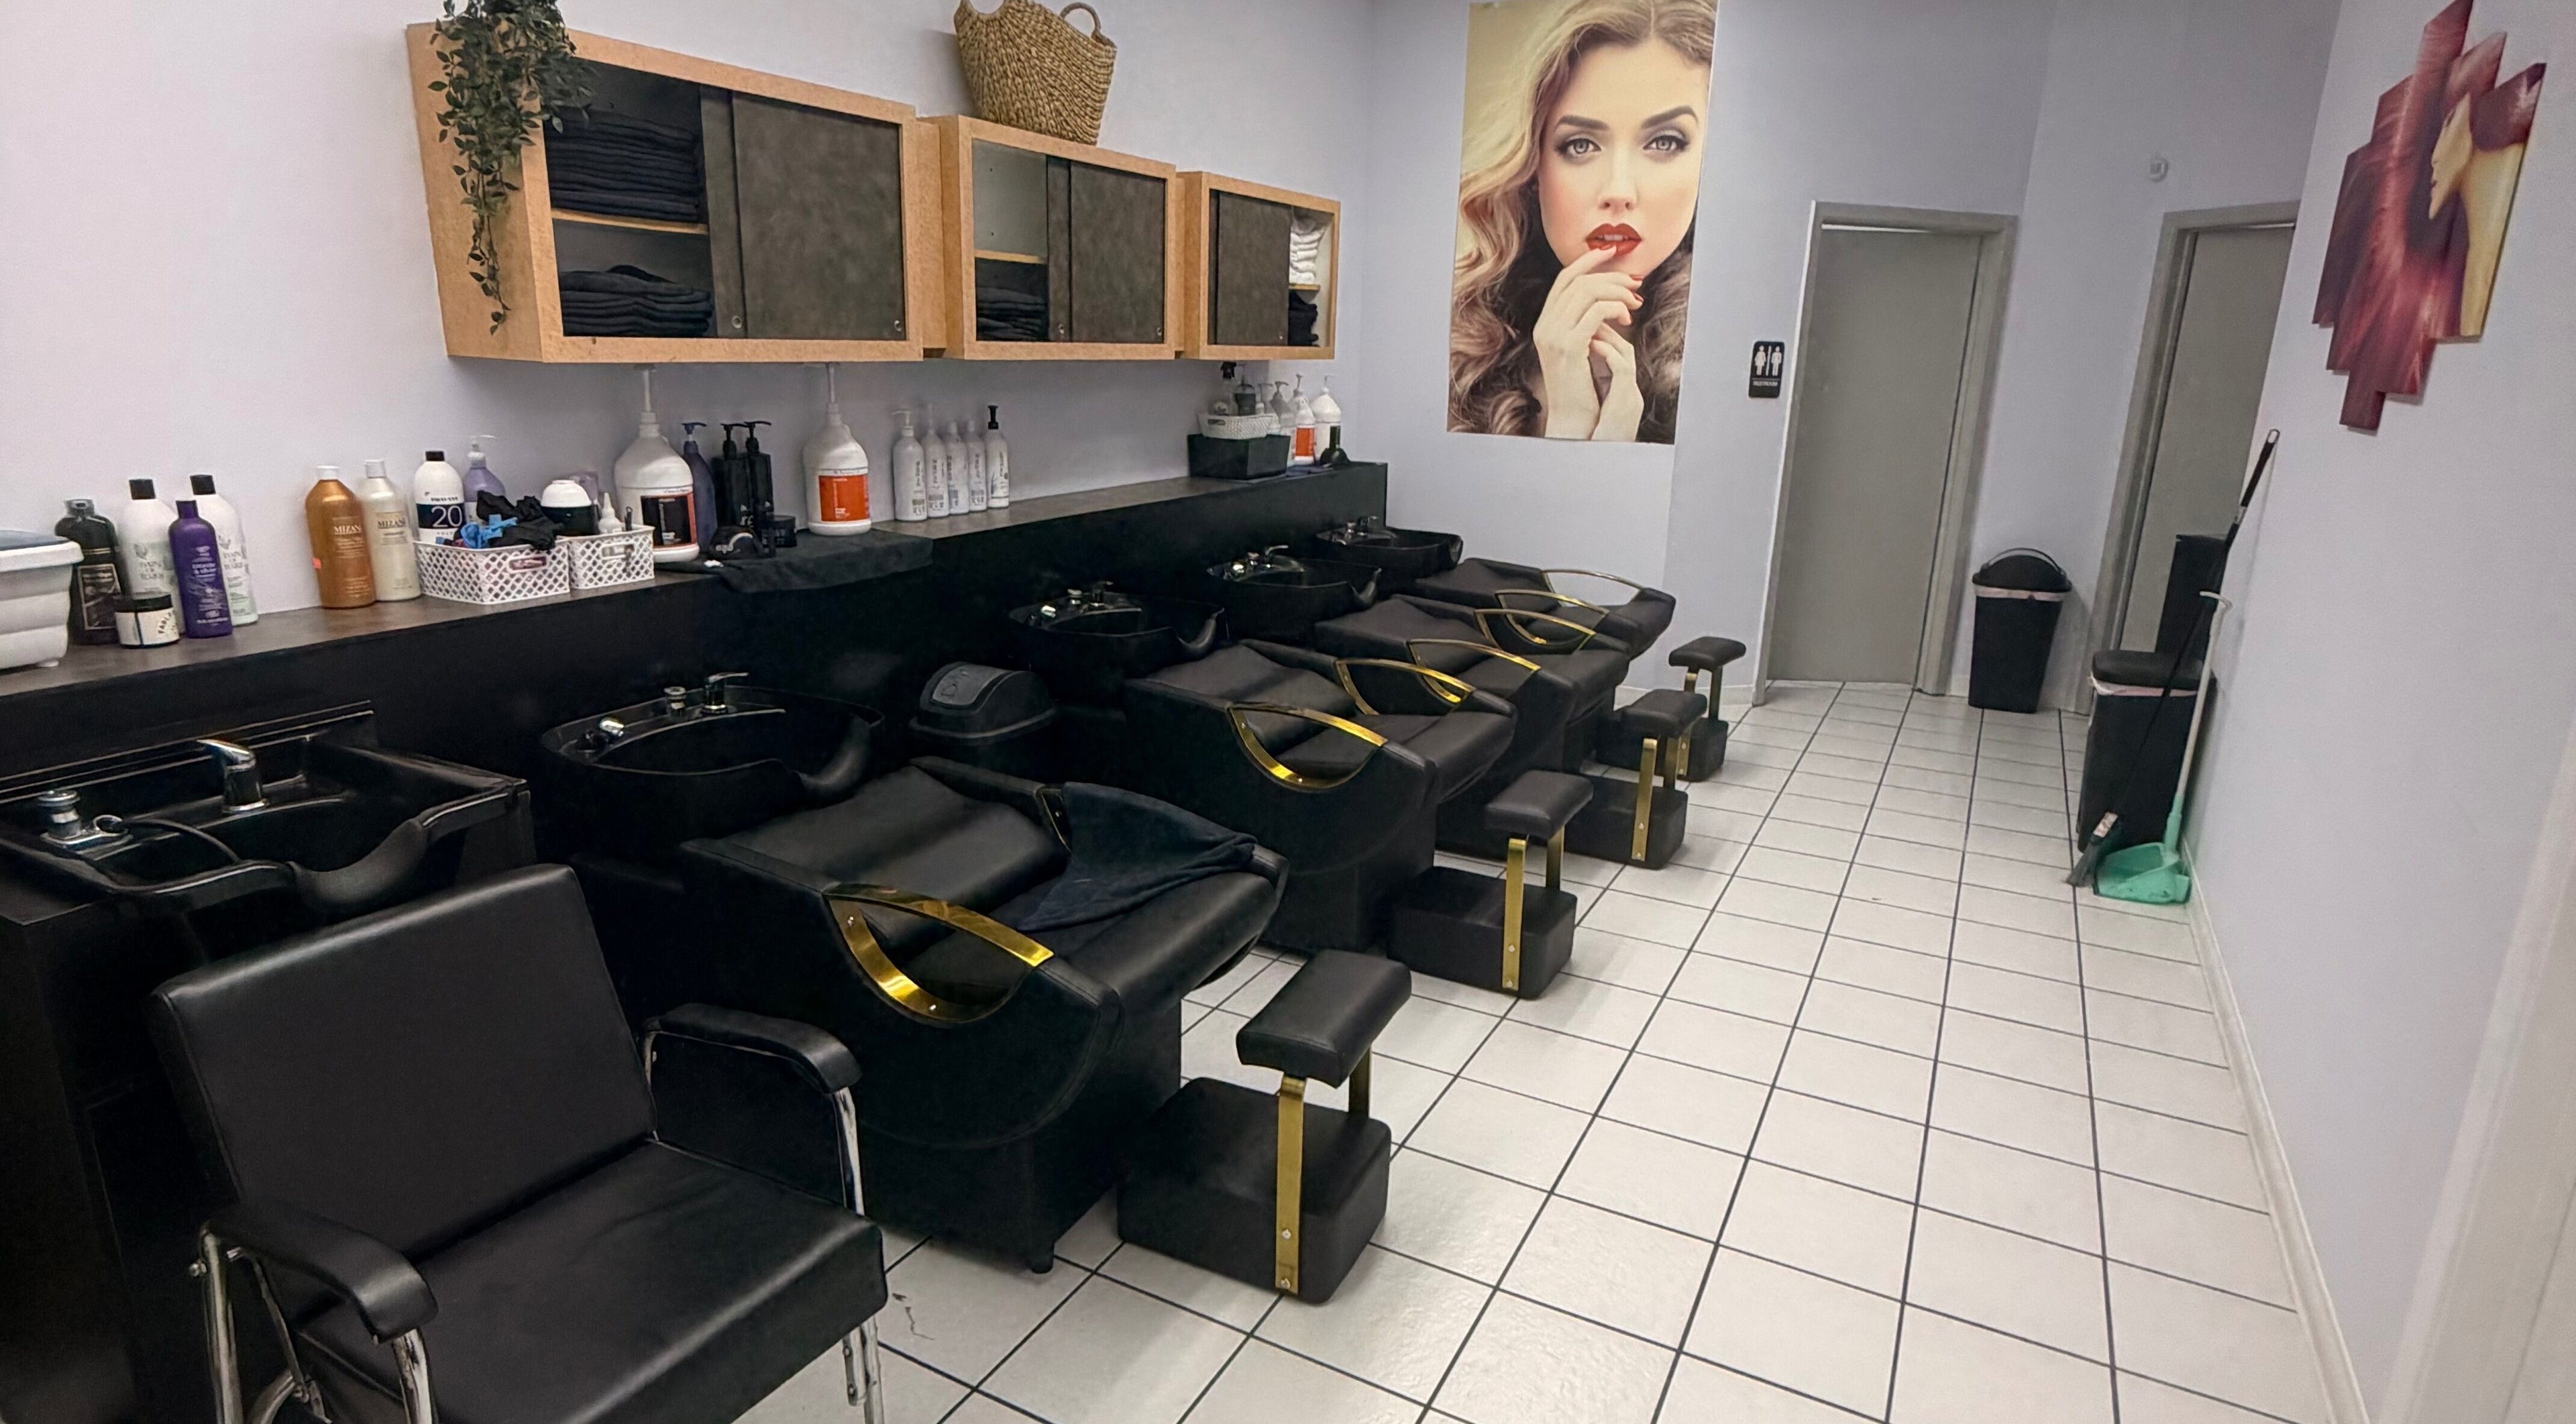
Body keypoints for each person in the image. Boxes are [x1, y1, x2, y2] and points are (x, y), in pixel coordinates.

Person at [1450, 0, 1715, 444]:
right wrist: (1570, 422)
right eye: (1580, 145)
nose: (1618, 190)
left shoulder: (1730, 360)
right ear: (1533, 168)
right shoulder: (1461, 349)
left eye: (1665, 141)